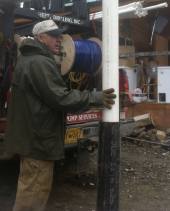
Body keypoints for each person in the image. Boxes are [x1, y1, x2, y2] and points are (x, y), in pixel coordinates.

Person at [4, 19, 116, 211]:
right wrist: (94, 97)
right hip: (38, 141)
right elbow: (61, 98)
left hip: (34, 138)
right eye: (54, 36)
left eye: (59, 36)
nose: (59, 40)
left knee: (29, 191)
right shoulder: (39, 62)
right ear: (40, 37)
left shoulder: (30, 58)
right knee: (32, 197)